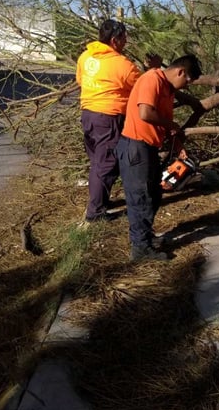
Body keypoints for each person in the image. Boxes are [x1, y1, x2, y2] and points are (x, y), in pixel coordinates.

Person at [117, 54, 202, 261]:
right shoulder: (152, 79)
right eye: (188, 80)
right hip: (135, 146)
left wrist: (178, 145)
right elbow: (145, 113)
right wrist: (171, 125)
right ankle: (140, 249)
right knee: (141, 197)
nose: (187, 86)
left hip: (148, 148)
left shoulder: (167, 88)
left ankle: (145, 237)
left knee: (154, 194)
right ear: (180, 71)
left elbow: (164, 125)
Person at [76, 19, 161, 222]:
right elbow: (143, 89)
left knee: (98, 162)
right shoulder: (122, 65)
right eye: (124, 38)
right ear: (115, 40)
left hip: (88, 115)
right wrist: (154, 69)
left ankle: (99, 202)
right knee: (105, 165)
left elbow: (81, 80)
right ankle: (95, 214)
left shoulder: (85, 56)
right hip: (108, 118)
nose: (126, 43)